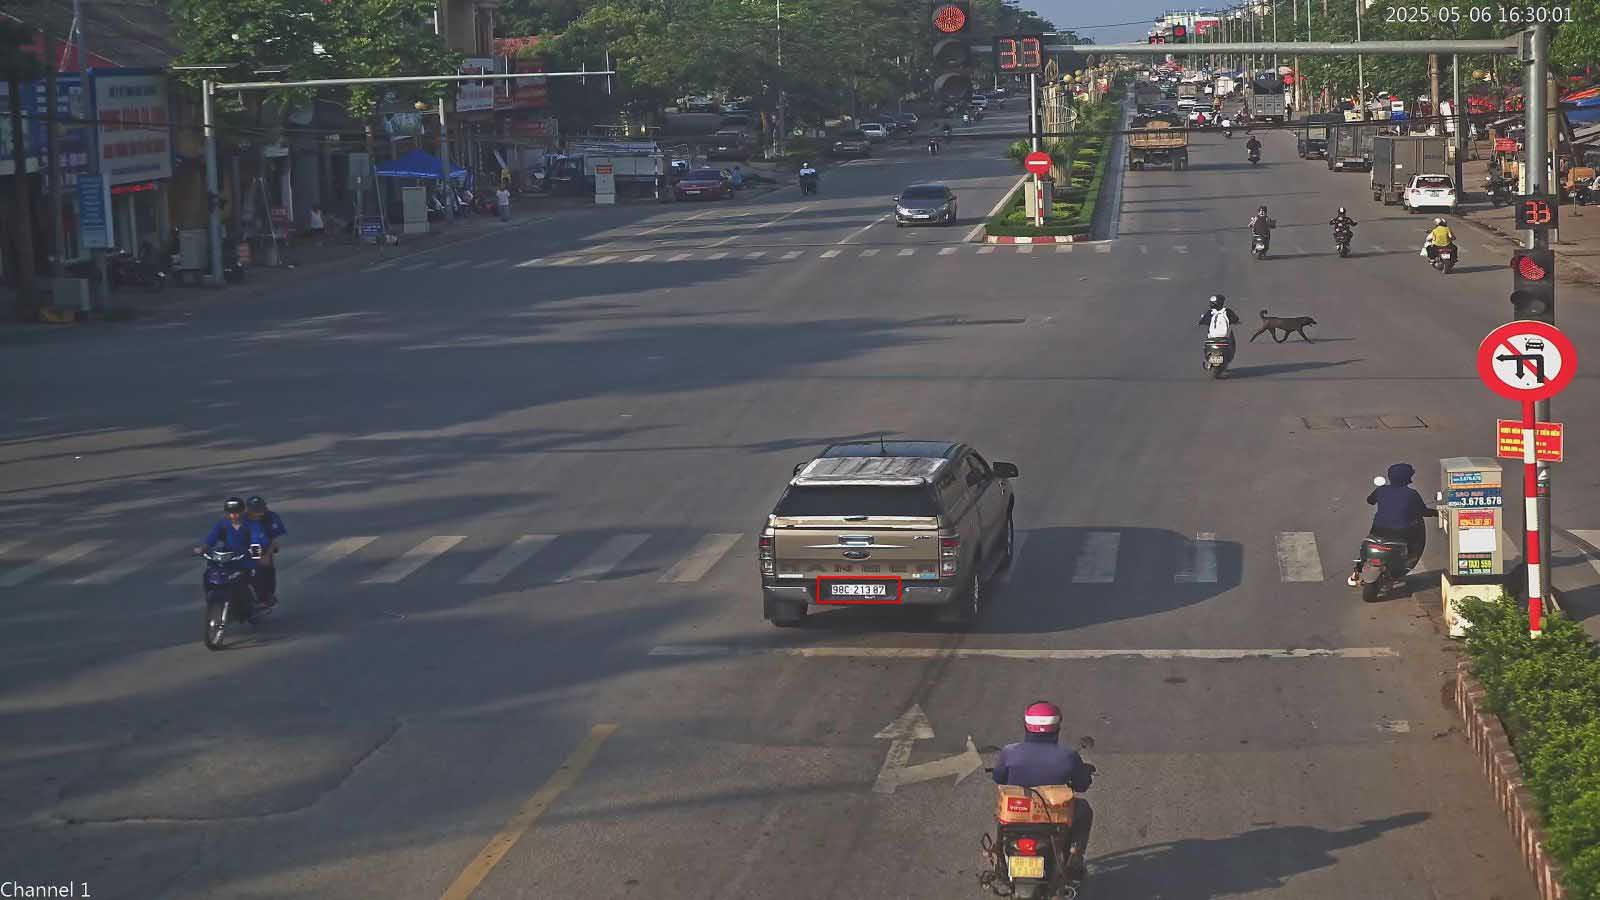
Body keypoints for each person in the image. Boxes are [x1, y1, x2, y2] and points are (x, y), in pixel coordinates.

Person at [993, 701, 1094, 878]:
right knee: (1084, 809)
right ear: (1057, 727)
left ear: (1026, 725)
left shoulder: (1009, 752)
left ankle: (999, 859)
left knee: (1002, 814)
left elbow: (998, 778)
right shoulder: (1068, 756)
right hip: (1053, 820)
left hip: (1017, 817)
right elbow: (1081, 785)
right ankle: (1075, 857)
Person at [1347, 463, 1438, 586]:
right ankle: (1406, 563)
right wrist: (1435, 513)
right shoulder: (1412, 494)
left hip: (1378, 529)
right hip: (1401, 532)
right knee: (1413, 545)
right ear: (1408, 478)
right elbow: (1423, 511)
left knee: (1368, 544)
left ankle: (1356, 571)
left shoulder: (1381, 490)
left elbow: (1370, 500)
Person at [196, 497, 271, 597]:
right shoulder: (222, 524)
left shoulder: (252, 524)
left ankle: (262, 599)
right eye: (230, 512)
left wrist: (257, 555)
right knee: (209, 574)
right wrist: (202, 549)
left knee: (256, 574)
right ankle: (211, 595)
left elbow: (255, 540)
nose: (233, 515)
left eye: (237, 512)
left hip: (247, 557)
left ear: (243, 511)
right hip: (228, 557)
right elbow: (211, 538)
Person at [245, 496, 287, 607]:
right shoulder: (241, 519)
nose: (258, 513)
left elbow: (274, 540)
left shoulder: (271, 517)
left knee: (263, 569)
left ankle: (266, 597)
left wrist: (266, 555)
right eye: (254, 511)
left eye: (260, 510)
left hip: (264, 547)